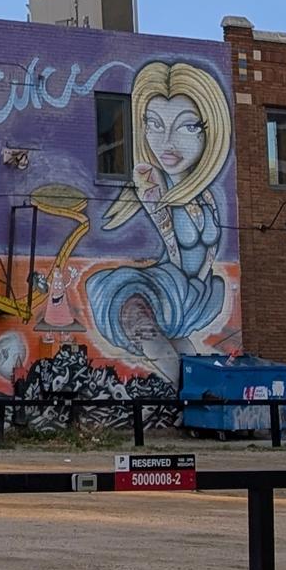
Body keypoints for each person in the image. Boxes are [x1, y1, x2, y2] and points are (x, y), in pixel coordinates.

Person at [83, 61, 232, 379]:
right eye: (153, 123)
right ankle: (190, 396)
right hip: (161, 286)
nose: (167, 142)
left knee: (191, 360)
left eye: (187, 126)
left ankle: (197, 396)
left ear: (212, 128)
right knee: (142, 322)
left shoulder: (207, 196)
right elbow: (170, 238)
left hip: (193, 296)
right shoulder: (151, 181)